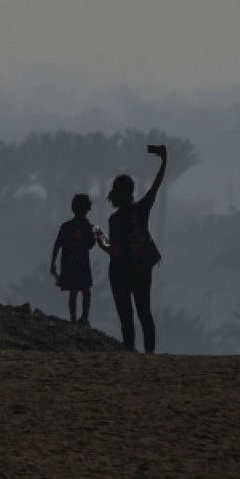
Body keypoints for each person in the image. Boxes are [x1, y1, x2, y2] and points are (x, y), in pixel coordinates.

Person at [97, 144, 167, 353]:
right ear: (132, 191)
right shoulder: (142, 208)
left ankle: (130, 349)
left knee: (125, 312)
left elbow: (115, 251)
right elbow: (156, 187)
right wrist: (164, 161)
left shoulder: (115, 219)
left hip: (120, 271)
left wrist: (100, 240)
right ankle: (150, 353)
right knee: (144, 312)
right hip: (142, 268)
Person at [50, 193, 99, 325]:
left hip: (69, 263)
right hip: (82, 264)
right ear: (88, 209)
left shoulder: (66, 226)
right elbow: (90, 244)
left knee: (73, 291)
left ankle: (72, 318)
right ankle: (84, 317)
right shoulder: (90, 228)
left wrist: (53, 263)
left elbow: (57, 245)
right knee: (86, 291)